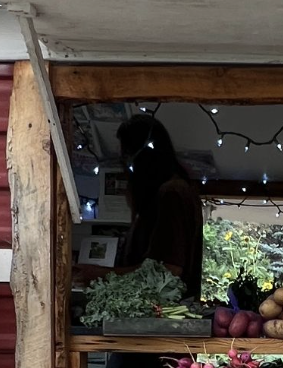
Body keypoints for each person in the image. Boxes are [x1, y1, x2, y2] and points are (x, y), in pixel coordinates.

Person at [75, 114, 204, 298]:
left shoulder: (172, 193)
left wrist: (99, 275)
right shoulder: (166, 194)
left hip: (163, 320)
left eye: (125, 158)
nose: (124, 167)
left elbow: (167, 271)